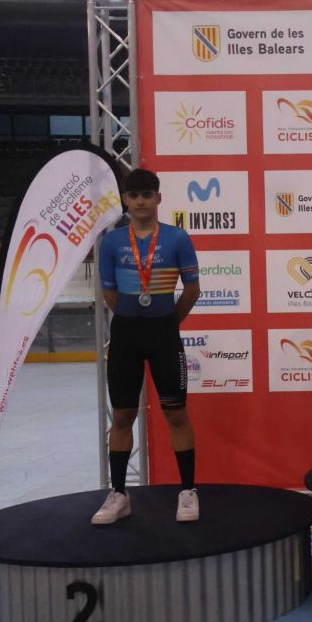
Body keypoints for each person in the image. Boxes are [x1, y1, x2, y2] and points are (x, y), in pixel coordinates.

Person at [91, 168, 202, 524]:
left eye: (146, 194)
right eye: (134, 195)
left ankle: (188, 491)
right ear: (125, 200)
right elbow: (110, 294)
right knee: (123, 416)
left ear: (158, 198)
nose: (140, 201)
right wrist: (133, 319)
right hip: (126, 334)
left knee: (176, 414)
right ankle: (119, 494)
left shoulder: (177, 238)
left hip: (163, 334)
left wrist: (167, 322)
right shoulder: (112, 243)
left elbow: (192, 289)